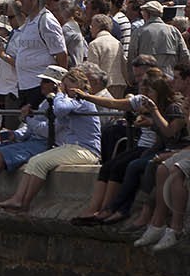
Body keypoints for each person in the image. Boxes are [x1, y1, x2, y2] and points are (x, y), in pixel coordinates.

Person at [0, 65, 82, 196]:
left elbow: (47, 130)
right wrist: (16, 134)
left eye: (45, 81)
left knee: (4, 153)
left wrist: (27, 118)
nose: (41, 84)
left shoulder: (62, 104)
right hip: (36, 139)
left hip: (48, 144)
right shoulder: (45, 102)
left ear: (56, 85)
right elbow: (32, 128)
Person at [70, 70, 184, 225]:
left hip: (159, 148)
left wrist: (153, 115)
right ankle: (98, 208)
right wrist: (87, 97)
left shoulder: (172, 107)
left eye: (148, 90)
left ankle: (116, 209)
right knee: (109, 166)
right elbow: (113, 103)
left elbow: (169, 133)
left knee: (130, 167)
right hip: (150, 146)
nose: (143, 92)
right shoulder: (143, 101)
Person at [0, 68, 104, 212]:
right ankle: (18, 199)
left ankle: (25, 202)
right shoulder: (73, 101)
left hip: (86, 150)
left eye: (65, 86)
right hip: (73, 147)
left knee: (40, 163)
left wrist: (59, 93)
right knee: (35, 161)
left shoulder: (82, 100)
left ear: (76, 85)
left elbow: (58, 110)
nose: (63, 89)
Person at [5, 0, 69, 107]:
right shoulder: (30, 21)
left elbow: (61, 54)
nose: (20, 2)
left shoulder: (46, 21)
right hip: (25, 85)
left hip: (39, 86)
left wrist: (59, 83)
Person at [127, 0, 190, 68]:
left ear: (147, 14)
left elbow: (131, 58)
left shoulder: (138, 33)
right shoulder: (174, 31)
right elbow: (185, 57)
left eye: (143, 12)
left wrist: (131, 78)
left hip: (146, 77)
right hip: (170, 76)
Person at [87, 13, 125, 96]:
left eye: (92, 26)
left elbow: (92, 69)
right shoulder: (118, 43)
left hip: (102, 87)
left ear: (98, 27)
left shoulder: (94, 44)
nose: (90, 29)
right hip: (119, 83)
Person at [58, 0, 88, 65]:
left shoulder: (67, 28)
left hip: (72, 67)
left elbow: (59, 50)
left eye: (57, 10)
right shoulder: (75, 25)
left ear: (62, 12)